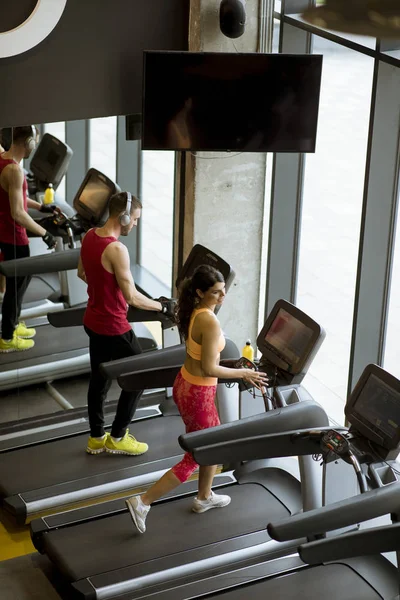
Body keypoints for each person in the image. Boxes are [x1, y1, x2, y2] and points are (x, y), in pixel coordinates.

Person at [125, 264, 268, 533]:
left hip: (185, 385)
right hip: (199, 393)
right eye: (216, 293)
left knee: (210, 444)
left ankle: (204, 497)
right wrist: (244, 373)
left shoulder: (197, 311)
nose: (223, 296)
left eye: (224, 290)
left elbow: (203, 358)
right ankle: (143, 502)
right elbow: (209, 369)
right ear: (201, 292)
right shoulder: (211, 322)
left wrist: (235, 366)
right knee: (196, 455)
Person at [78, 191, 175, 457]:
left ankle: (96, 438)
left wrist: (105, 291)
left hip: (92, 320)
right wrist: (163, 306)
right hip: (114, 327)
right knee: (140, 377)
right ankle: (118, 436)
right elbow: (132, 297)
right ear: (123, 217)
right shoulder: (116, 249)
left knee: (99, 381)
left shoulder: (89, 236)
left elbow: (82, 273)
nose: (136, 224)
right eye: (134, 219)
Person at [0, 126, 57, 353]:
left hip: (4, 232)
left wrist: (41, 207)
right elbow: (18, 213)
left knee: (19, 285)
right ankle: (6, 338)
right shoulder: (14, 171)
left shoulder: (2, 157)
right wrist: (45, 234)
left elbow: (18, 198)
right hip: (14, 236)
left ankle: (12, 324)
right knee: (17, 287)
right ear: (30, 143)